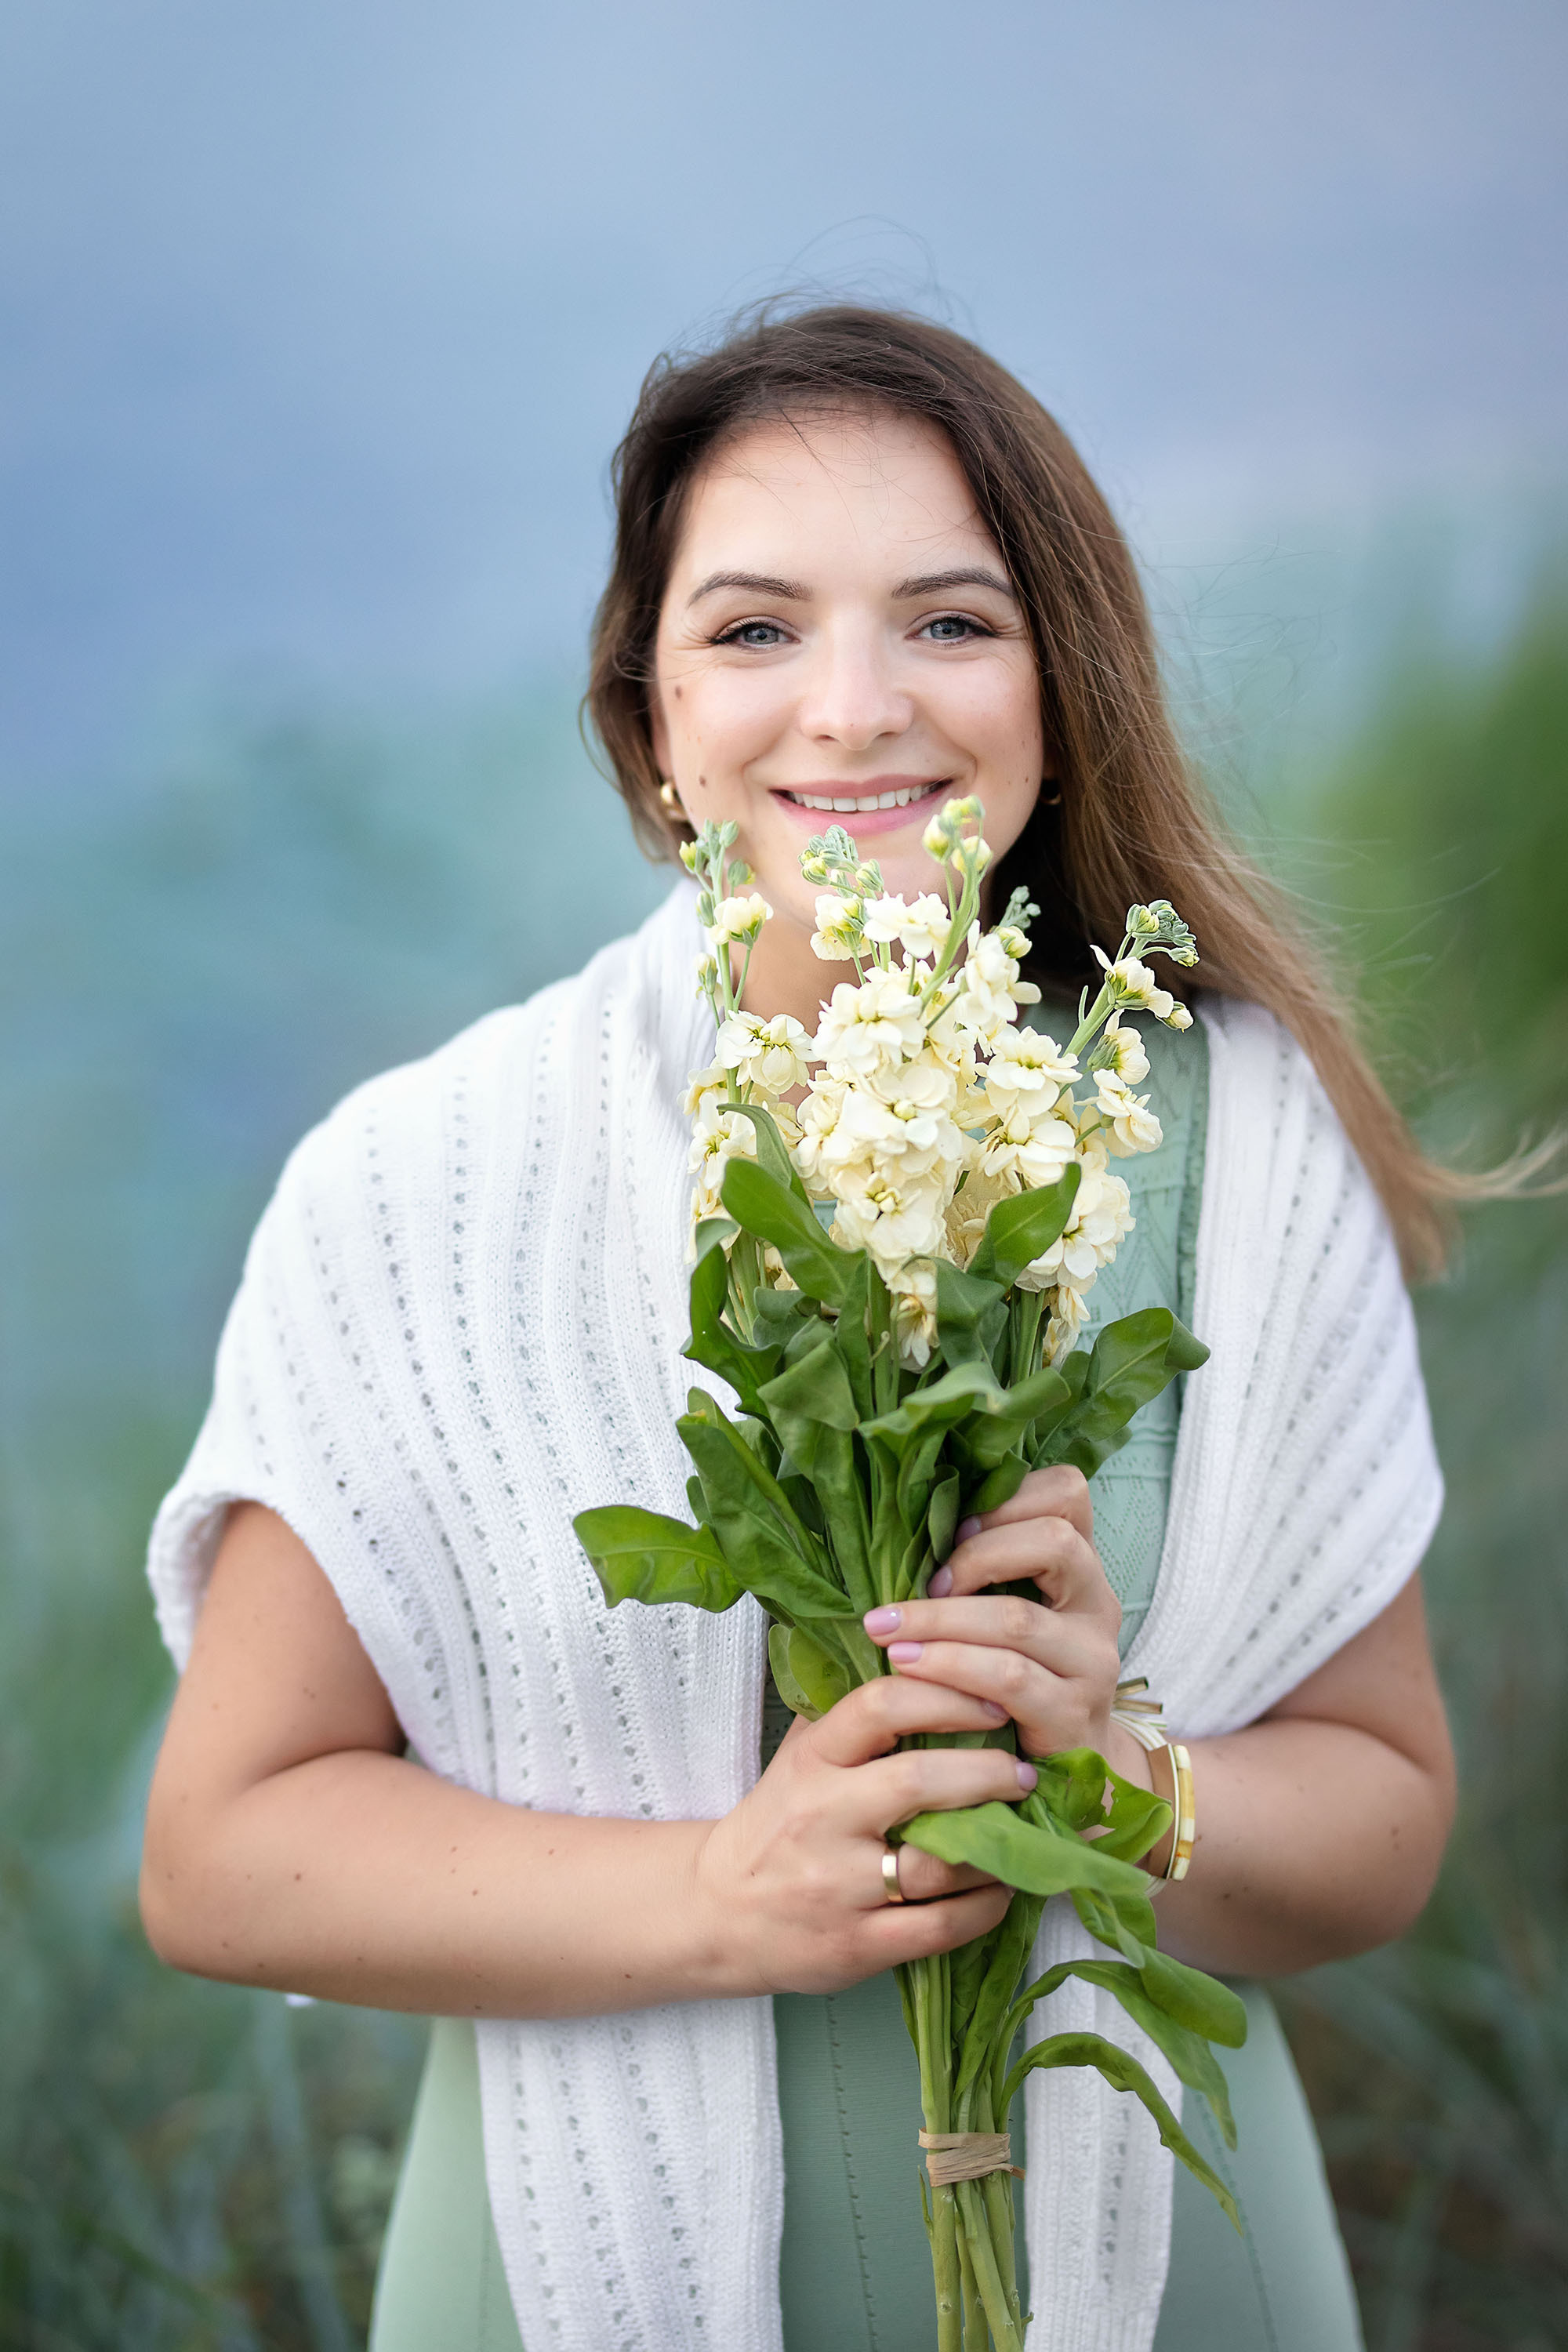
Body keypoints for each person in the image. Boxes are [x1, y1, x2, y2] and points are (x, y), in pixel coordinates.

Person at [140, 305, 1459, 2352]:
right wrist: (720, 1895)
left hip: (1168, 2281)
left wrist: (1113, 1780)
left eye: (951, 622)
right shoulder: (417, 1179)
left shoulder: (1239, 1138)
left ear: (1059, 689)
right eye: (754, 630)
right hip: (562, 2280)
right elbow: (224, 1855)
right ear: (648, 711)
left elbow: (1380, 1821)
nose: (851, 711)